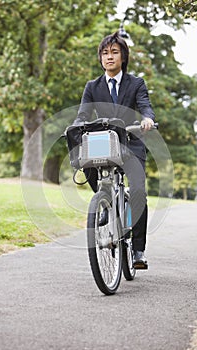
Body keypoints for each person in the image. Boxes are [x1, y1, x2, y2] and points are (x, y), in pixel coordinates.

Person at [73, 31, 155, 269]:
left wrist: (147, 120)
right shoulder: (92, 86)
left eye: (114, 52)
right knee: (85, 163)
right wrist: (77, 126)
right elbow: (83, 114)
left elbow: (146, 107)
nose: (109, 57)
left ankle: (138, 250)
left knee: (138, 191)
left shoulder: (136, 83)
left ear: (123, 57)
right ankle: (105, 201)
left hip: (131, 141)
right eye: (105, 53)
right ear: (100, 58)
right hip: (103, 142)